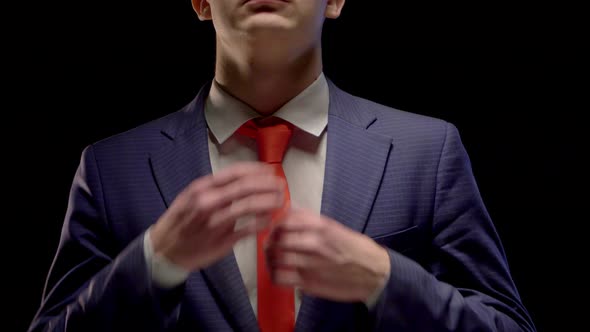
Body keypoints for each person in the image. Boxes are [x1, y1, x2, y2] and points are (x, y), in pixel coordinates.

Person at [29, 0, 536, 331]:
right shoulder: (110, 169)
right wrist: (155, 260)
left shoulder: (428, 151)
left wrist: (382, 277)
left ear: (335, 0)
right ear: (202, 2)